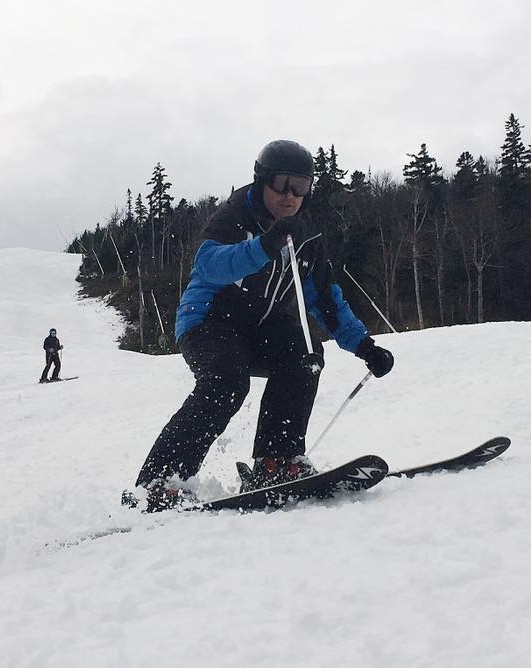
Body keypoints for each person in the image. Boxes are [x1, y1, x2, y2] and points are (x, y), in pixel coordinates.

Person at [127, 139, 394, 512]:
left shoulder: (308, 233)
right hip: (208, 321)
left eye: (300, 186)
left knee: (304, 354)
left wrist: (364, 346)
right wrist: (264, 246)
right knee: (227, 380)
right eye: (281, 183)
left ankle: (276, 462)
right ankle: (158, 482)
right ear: (261, 180)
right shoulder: (237, 213)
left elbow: (325, 299)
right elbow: (209, 264)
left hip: (262, 327)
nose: (290, 195)